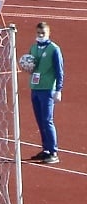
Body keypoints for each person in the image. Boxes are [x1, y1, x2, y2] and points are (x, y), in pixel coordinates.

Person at [26, 22, 64, 164]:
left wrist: (58, 89)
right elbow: (31, 66)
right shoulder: (34, 48)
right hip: (35, 88)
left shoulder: (54, 49)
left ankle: (53, 152)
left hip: (47, 89)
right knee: (40, 120)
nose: (40, 36)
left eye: (43, 33)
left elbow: (59, 71)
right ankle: (46, 149)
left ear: (48, 33)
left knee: (48, 121)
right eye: (38, 33)